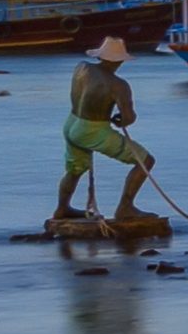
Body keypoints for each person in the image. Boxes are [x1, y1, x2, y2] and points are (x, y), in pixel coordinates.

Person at [51, 36, 159, 232]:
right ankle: (125, 207)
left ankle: (62, 208)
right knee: (146, 161)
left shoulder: (81, 67)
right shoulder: (118, 85)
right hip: (93, 129)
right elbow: (128, 118)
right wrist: (120, 119)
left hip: (71, 123)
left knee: (75, 169)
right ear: (120, 60)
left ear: (100, 55)